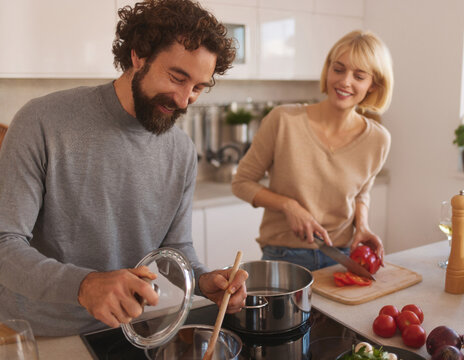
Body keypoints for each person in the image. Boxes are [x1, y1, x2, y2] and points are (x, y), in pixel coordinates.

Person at [0, 0, 248, 336]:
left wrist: (204, 281)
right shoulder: (42, 122)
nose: (183, 100)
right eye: (177, 77)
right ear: (138, 55)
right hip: (38, 334)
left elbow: (175, 250)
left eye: (198, 88)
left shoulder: (182, 151)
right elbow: (5, 244)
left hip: (129, 331)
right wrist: (85, 285)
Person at [231, 30, 393, 271]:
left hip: (342, 257)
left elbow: (360, 194)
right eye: (338, 69)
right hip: (283, 255)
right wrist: (289, 206)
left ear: (373, 85)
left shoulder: (378, 139)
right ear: (328, 70)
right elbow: (241, 183)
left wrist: (363, 227)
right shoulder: (283, 120)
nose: (345, 81)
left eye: (359, 76)